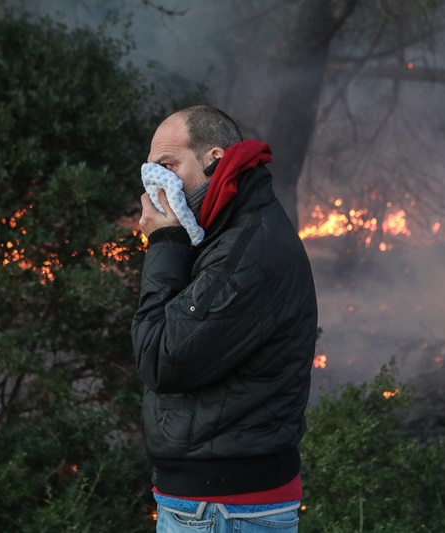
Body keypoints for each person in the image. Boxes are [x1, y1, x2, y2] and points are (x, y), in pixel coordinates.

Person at [131, 105, 318, 532]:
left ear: (214, 159)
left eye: (167, 166)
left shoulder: (248, 251)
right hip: (215, 506)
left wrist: (164, 240)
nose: (154, 183)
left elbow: (159, 357)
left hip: (223, 510)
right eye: (149, 170)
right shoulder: (222, 233)